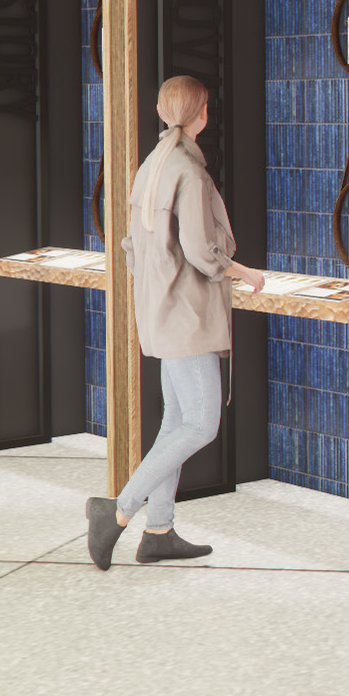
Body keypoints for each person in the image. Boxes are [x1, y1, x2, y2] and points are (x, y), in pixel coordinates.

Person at [85, 75, 265, 569]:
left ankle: (159, 531)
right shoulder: (189, 169)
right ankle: (117, 510)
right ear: (202, 111)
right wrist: (243, 270)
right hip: (187, 313)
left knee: (176, 423)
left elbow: (130, 245)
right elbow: (201, 251)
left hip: (159, 308)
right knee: (203, 425)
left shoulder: (152, 164)